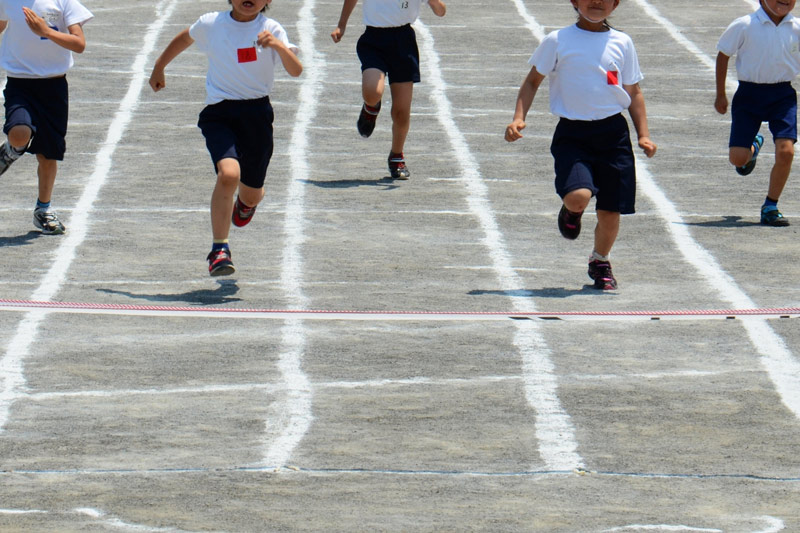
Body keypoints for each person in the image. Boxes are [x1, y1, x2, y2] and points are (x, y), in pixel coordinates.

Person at [505, 0, 656, 290]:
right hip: (573, 134)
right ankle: (572, 211)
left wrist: (643, 135)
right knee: (578, 196)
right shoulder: (558, 40)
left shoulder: (622, 42)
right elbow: (532, 82)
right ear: (574, 2)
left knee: (611, 211)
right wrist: (518, 118)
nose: (597, 2)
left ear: (615, 4)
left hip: (614, 135)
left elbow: (633, 91)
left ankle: (600, 260)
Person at [149, 0, 302, 276]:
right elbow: (186, 37)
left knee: (252, 194)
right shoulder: (212, 23)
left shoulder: (271, 29)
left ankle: (246, 203)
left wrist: (278, 46)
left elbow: (296, 70)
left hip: (257, 115)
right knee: (228, 174)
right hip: (219, 112)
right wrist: (159, 66)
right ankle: (219, 250)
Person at [0, 0, 93, 235]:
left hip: (54, 87)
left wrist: (46, 31)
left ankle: (43, 209)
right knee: (19, 133)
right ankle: (11, 151)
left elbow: (79, 44)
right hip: (20, 82)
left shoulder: (64, 2)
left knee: (48, 154)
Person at [331, 0, 446, 180]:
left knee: (401, 112)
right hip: (374, 39)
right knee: (372, 92)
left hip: (403, 42)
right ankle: (371, 107)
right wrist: (341, 25)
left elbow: (441, 11)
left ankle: (396, 155)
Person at [715, 0, 799, 227]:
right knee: (737, 159)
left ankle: (771, 206)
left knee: (786, 152)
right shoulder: (745, 24)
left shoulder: (796, 27)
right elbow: (724, 54)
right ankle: (754, 146)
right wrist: (720, 94)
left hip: (782, 95)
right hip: (749, 95)